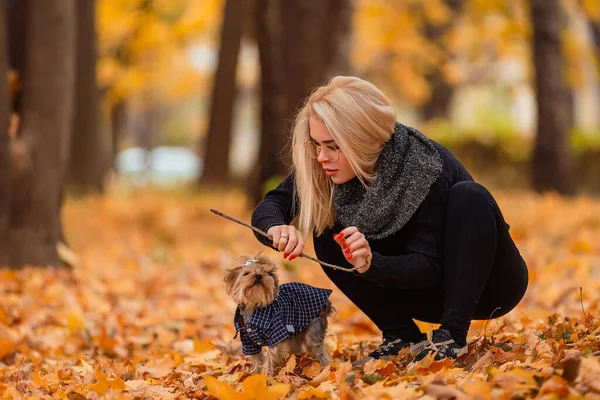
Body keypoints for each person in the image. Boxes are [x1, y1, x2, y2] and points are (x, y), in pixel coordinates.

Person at [250, 76, 528, 365]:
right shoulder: (326, 166)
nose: (321, 157)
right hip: (420, 292)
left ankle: (451, 338)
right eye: (316, 144)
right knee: (328, 231)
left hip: (489, 285)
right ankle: (403, 338)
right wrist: (275, 227)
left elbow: (428, 266)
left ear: (365, 140)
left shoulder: (424, 166)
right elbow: (273, 203)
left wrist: (372, 263)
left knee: (470, 196)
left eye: (333, 146)